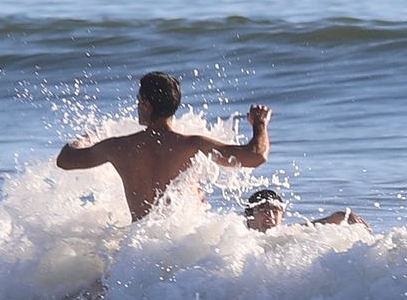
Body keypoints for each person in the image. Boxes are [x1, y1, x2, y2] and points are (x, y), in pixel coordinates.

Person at [56, 71, 270, 221]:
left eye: (139, 101)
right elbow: (256, 157)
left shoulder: (119, 147)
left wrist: (88, 137)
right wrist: (260, 124)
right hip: (180, 249)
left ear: (147, 106)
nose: (138, 107)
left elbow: (65, 160)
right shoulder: (193, 145)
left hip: (138, 254)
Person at [244, 188, 371, 232]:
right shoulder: (236, 238)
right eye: (263, 210)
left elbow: (329, 221)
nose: (270, 216)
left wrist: (345, 216)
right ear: (249, 215)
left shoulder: (286, 234)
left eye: (275, 211)